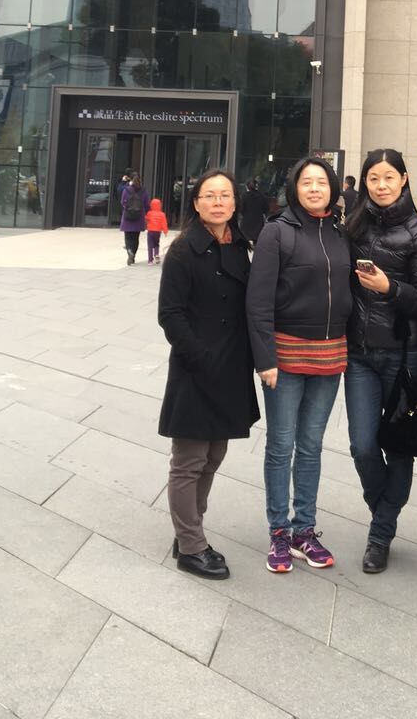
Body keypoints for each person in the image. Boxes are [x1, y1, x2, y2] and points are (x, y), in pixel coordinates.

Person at [246, 156, 352, 574]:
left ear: (332, 189)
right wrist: (265, 358)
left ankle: (304, 529)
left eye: (321, 182)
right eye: (306, 182)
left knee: (311, 446)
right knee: (281, 445)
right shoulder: (277, 231)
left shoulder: (341, 232)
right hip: (286, 356)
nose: (314, 189)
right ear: (294, 188)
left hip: (330, 356)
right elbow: (258, 300)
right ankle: (279, 531)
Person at [158, 169, 259, 580]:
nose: (218, 202)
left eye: (225, 195)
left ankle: (188, 531)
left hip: (232, 366)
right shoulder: (183, 250)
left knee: (214, 456)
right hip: (197, 368)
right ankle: (191, 547)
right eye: (209, 195)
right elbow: (170, 315)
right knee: (189, 460)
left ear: (235, 203)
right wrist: (200, 358)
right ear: (196, 203)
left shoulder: (239, 247)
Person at [344, 149, 417, 574]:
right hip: (359, 354)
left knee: (399, 446)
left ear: (404, 179)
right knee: (363, 446)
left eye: (388, 177)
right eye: (373, 178)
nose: (380, 185)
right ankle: (385, 510)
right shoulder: (354, 224)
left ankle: (380, 535)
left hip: (404, 355)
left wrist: (389, 288)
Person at [120, 174, 150, 266]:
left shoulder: (126, 190)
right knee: (135, 238)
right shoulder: (143, 191)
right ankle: (133, 254)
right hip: (139, 217)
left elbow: (122, 202)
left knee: (128, 237)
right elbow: (146, 204)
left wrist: (127, 208)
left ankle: (129, 250)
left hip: (128, 216)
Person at [239, 178, 269, 245]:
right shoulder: (262, 196)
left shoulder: (244, 196)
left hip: (246, 224)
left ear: (246, 186)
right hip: (258, 224)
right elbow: (266, 209)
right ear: (256, 186)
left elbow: (241, 209)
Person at [146, 196, 169, 264]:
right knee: (156, 244)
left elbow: (146, 220)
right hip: (158, 232)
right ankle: (156, 254)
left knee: (150, 246)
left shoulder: (149, 213)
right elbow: (164, 223)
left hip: (150, 231)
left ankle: (150, 260)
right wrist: (165, 231)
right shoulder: (162, 214)